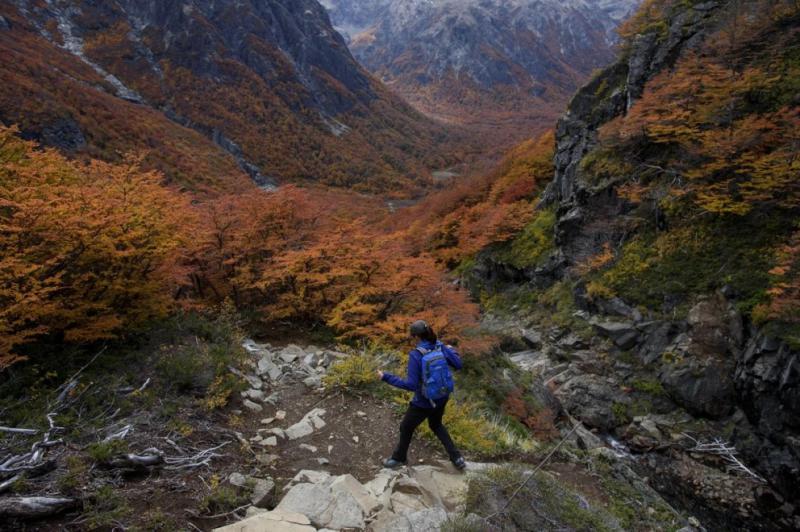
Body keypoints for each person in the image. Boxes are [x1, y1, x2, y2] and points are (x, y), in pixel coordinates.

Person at [377, 320, 466, 470]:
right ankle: (457, 458)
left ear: (416, 337)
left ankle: (399, 458)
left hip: (424, 401)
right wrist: (452, 350)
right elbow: (458, 364)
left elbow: (411, 385)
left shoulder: (416, 355)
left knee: (406, 427)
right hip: (442, 397)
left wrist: (386, 377)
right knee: (436, 424)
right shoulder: (440, 346)